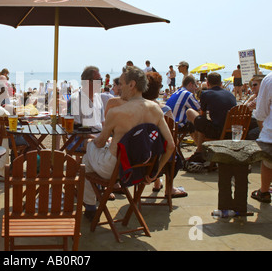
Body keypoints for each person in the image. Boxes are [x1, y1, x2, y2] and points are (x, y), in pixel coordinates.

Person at [82, 66, 175, 220]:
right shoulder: (157, 110)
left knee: (87, 156)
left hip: (115, 169)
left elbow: (100, 143)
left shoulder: (116, 112)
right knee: (92, 154)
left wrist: (91, 142)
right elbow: (171, 146)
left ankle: (91, 207)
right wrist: (154, 173)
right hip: (140, 170)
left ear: (132, 85)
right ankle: (93, 204)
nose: (118, 88)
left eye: (122, 83)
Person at [143, 71, 187, 197]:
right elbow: (174, 142)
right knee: (169, 150)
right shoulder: (165, 110)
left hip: (141, 156)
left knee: (155, 145)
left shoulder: (136, 110)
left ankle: (157, 183)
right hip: (161, 158)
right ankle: (170, 188)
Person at [186, 72, 237, 166]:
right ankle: (200, 150)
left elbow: (203, 114)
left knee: (190, 112)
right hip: (230, 132)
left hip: (217, 132)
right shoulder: (231, 95)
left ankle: (200, 150)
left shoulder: (206, 93)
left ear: (208, 83)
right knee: (202, 123)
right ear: (221, 83)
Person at [251, 72, 272, 203]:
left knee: (268, 162)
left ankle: (264, 191)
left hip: (270, 135)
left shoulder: (269, 79)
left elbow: (261, 113)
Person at [244, 74, 265, 140]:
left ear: (263, 85)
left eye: (255, 85)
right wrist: (251, 98)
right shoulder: (257, 97)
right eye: (252, 85)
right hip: (259, 122)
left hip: (266, 124)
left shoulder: (266, 97)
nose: (252, 87)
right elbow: (244, 107)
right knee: (243, 126)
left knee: (251, 133)